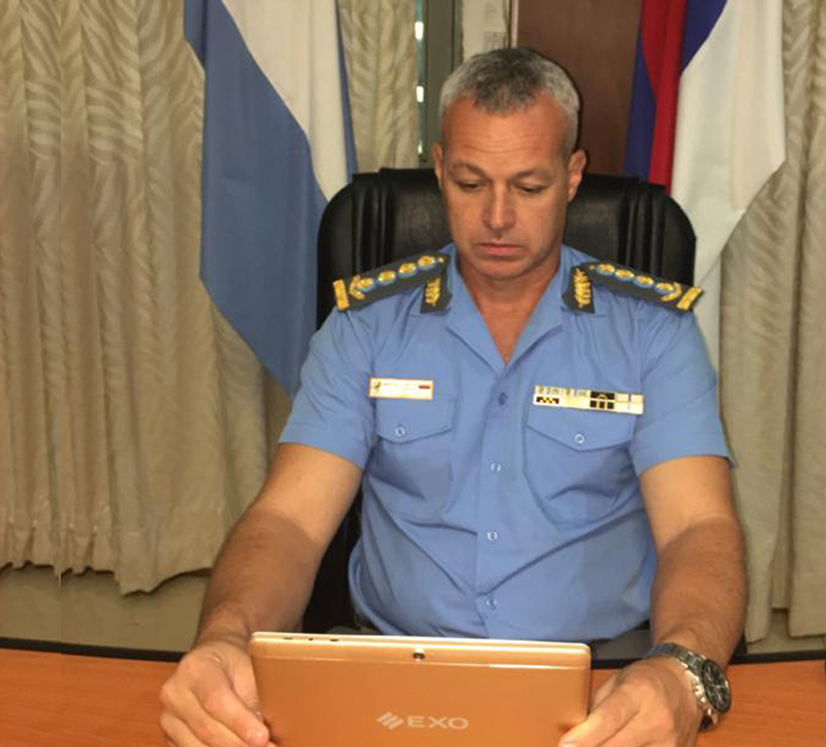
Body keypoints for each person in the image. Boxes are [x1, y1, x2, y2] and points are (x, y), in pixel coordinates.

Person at [159, 48, 746, 747]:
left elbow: (697, 529)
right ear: (439, 169)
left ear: (571, 177)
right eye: (470, 183)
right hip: (392, 676)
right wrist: (226, 637)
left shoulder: (652, 333)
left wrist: (680, 668)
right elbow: (289, 520)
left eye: (529, 186)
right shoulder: (366, 326)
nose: (497, 216)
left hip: (602, 682)